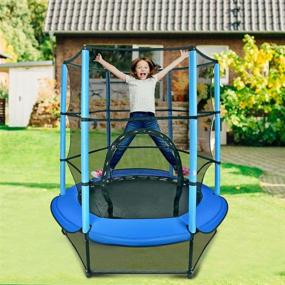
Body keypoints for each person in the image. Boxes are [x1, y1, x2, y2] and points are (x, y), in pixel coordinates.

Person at [91, 50, 189, 177]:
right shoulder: (131, 80)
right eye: (139, 67)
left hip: (150, 119)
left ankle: (178, 168)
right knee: (121, 145)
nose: (142, 69)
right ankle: (106, 170)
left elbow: (168, 68)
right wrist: (101, 61)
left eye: (145, 67)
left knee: (163, 144)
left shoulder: (153, 79)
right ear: (135, 70)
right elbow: (115, 70)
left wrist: (181, 58)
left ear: (149, 69)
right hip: (135, 119)